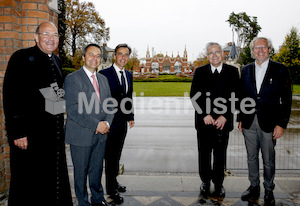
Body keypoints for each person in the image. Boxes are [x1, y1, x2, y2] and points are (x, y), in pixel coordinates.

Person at [3, 21, 73, 205]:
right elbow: (11, 96)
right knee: (29, 184)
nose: (51, 38)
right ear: (36, 37)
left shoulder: (56, 61)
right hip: (29, 136)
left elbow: (54, 96)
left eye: (55, 35)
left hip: (51, 137)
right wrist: (17, 132)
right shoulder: (21, 58)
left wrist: (61, 125)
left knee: (51, 181)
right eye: (46, 34)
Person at [238, 37, 292, 205]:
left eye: (263, 47)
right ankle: (254, 186)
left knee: (268, 159)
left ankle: (269, 189)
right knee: (251, 157)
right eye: (256, 48)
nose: (260, 50)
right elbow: (242, 96)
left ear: (269, 49)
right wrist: (240, 118)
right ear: (252, 51)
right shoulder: (246, 70)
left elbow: (287, 99)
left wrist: (281, 124)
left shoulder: (280, 69)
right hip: (249, 122)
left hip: (270, 123)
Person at [64, 44, 115, 206]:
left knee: (97, 170)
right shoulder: (73, 79)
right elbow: (73, 109)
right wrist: (96, 125)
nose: (95, 58)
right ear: (84, 57)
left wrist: (106, 123)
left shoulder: (103, 79)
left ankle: (98, 199)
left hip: (101, 135)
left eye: (98, 55)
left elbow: (110, 105)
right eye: (91, 55)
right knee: (81, 173)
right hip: (81, 135)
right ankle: (83, 202)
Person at [190, 42, 240, 200]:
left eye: (217, 52)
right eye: (211, 53)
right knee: (204, 154)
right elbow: (194, 95)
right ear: (207, 56)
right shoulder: (200, 72)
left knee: (220, 155)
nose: (214, 55)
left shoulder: (232, 71)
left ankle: (219, 184)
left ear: (222, 54)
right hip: (204, 122)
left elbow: (236, 95)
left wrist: (225, 116)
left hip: (223, 122)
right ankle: (205, 182)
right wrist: (205, 114)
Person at [99, 43, 135, 204]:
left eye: (126, 54)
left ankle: (114, 181)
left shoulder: (128, 74)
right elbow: (99, 99)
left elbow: (128, 98)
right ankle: (111, 189)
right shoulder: (104, 74)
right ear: (115, 56)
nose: (123, 57)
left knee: (117, 154)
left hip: (122, 123)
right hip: (108, 122)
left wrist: (130, 116)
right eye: (120, 54)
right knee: (110, 156)